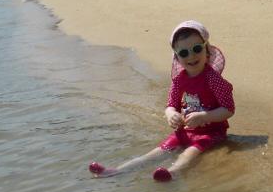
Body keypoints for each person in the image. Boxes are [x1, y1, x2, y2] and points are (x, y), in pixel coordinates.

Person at [88, 20, 235, 183]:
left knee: (189, 153)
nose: (191, 56)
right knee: (156, 152)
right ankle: (117, 171)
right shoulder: (179, 80)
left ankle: (173, 172)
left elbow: (228, 109)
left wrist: (204, 116)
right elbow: (171, 105)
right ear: (177, 57)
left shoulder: (213, 80)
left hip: (211, 133)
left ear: (207, 51)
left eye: (196, 49)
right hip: (185, 131)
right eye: (184, 53)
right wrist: (171, 115)